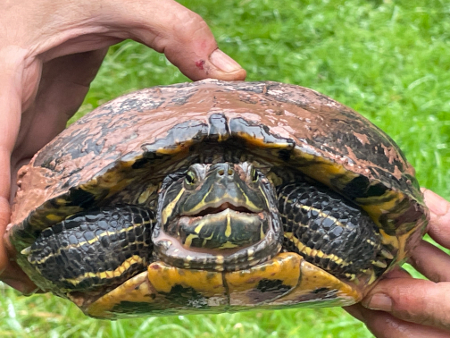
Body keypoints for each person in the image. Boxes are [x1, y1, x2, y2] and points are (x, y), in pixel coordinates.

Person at [1, 1, 448, 336]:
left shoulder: (299, 212)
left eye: (255, 179)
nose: (225, 184)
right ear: (167, 194)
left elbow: (362, 232)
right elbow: (51, 243)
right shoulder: (128, 222)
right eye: (192, 181)